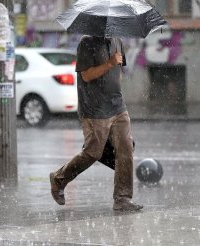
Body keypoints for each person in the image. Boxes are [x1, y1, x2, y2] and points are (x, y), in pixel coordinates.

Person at [49, 35, 143, 211]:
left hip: (117, 105)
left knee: (126, 148)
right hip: (94, 108)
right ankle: (59, 179)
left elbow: (119, 72)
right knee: (93, 152)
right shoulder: (87, 43)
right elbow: (86, 75)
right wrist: (109, 63)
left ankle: (122, 198)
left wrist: (114, 84)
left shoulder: (117, 41)